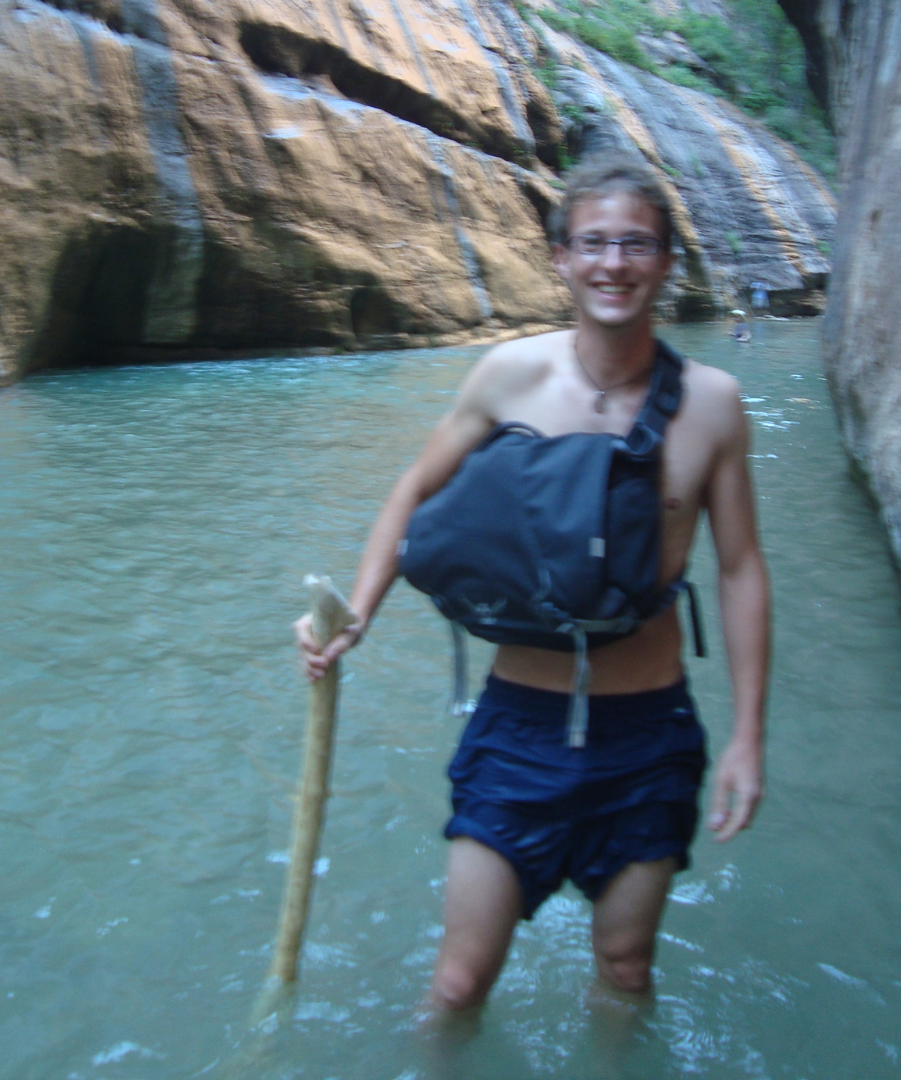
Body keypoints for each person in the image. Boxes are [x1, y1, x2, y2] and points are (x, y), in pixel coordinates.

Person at [295, 150, 770, 1012]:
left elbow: (740, 569)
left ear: (666, 261)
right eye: (592, 243)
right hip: (518, 725)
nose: (612, 264)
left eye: (635, 244)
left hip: (649, 733)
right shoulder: (508, 375)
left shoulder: (713, 404)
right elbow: (413, 490)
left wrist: (748, 737)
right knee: (457, 981)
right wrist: (354, 616)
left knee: (625, 970)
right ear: (559, 258)